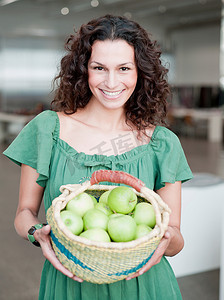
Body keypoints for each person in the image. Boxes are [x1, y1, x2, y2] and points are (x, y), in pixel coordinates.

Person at [3, 14, 193, 300]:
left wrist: (165, 238)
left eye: (124, 68)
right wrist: (37, 232)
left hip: (144, 287)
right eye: (99, 68)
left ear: (140, 72)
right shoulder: (47, 130)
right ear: (83, 70)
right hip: (70, 282)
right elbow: (23, 213)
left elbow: (176, 239)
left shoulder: (162, 143)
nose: (112, 82)